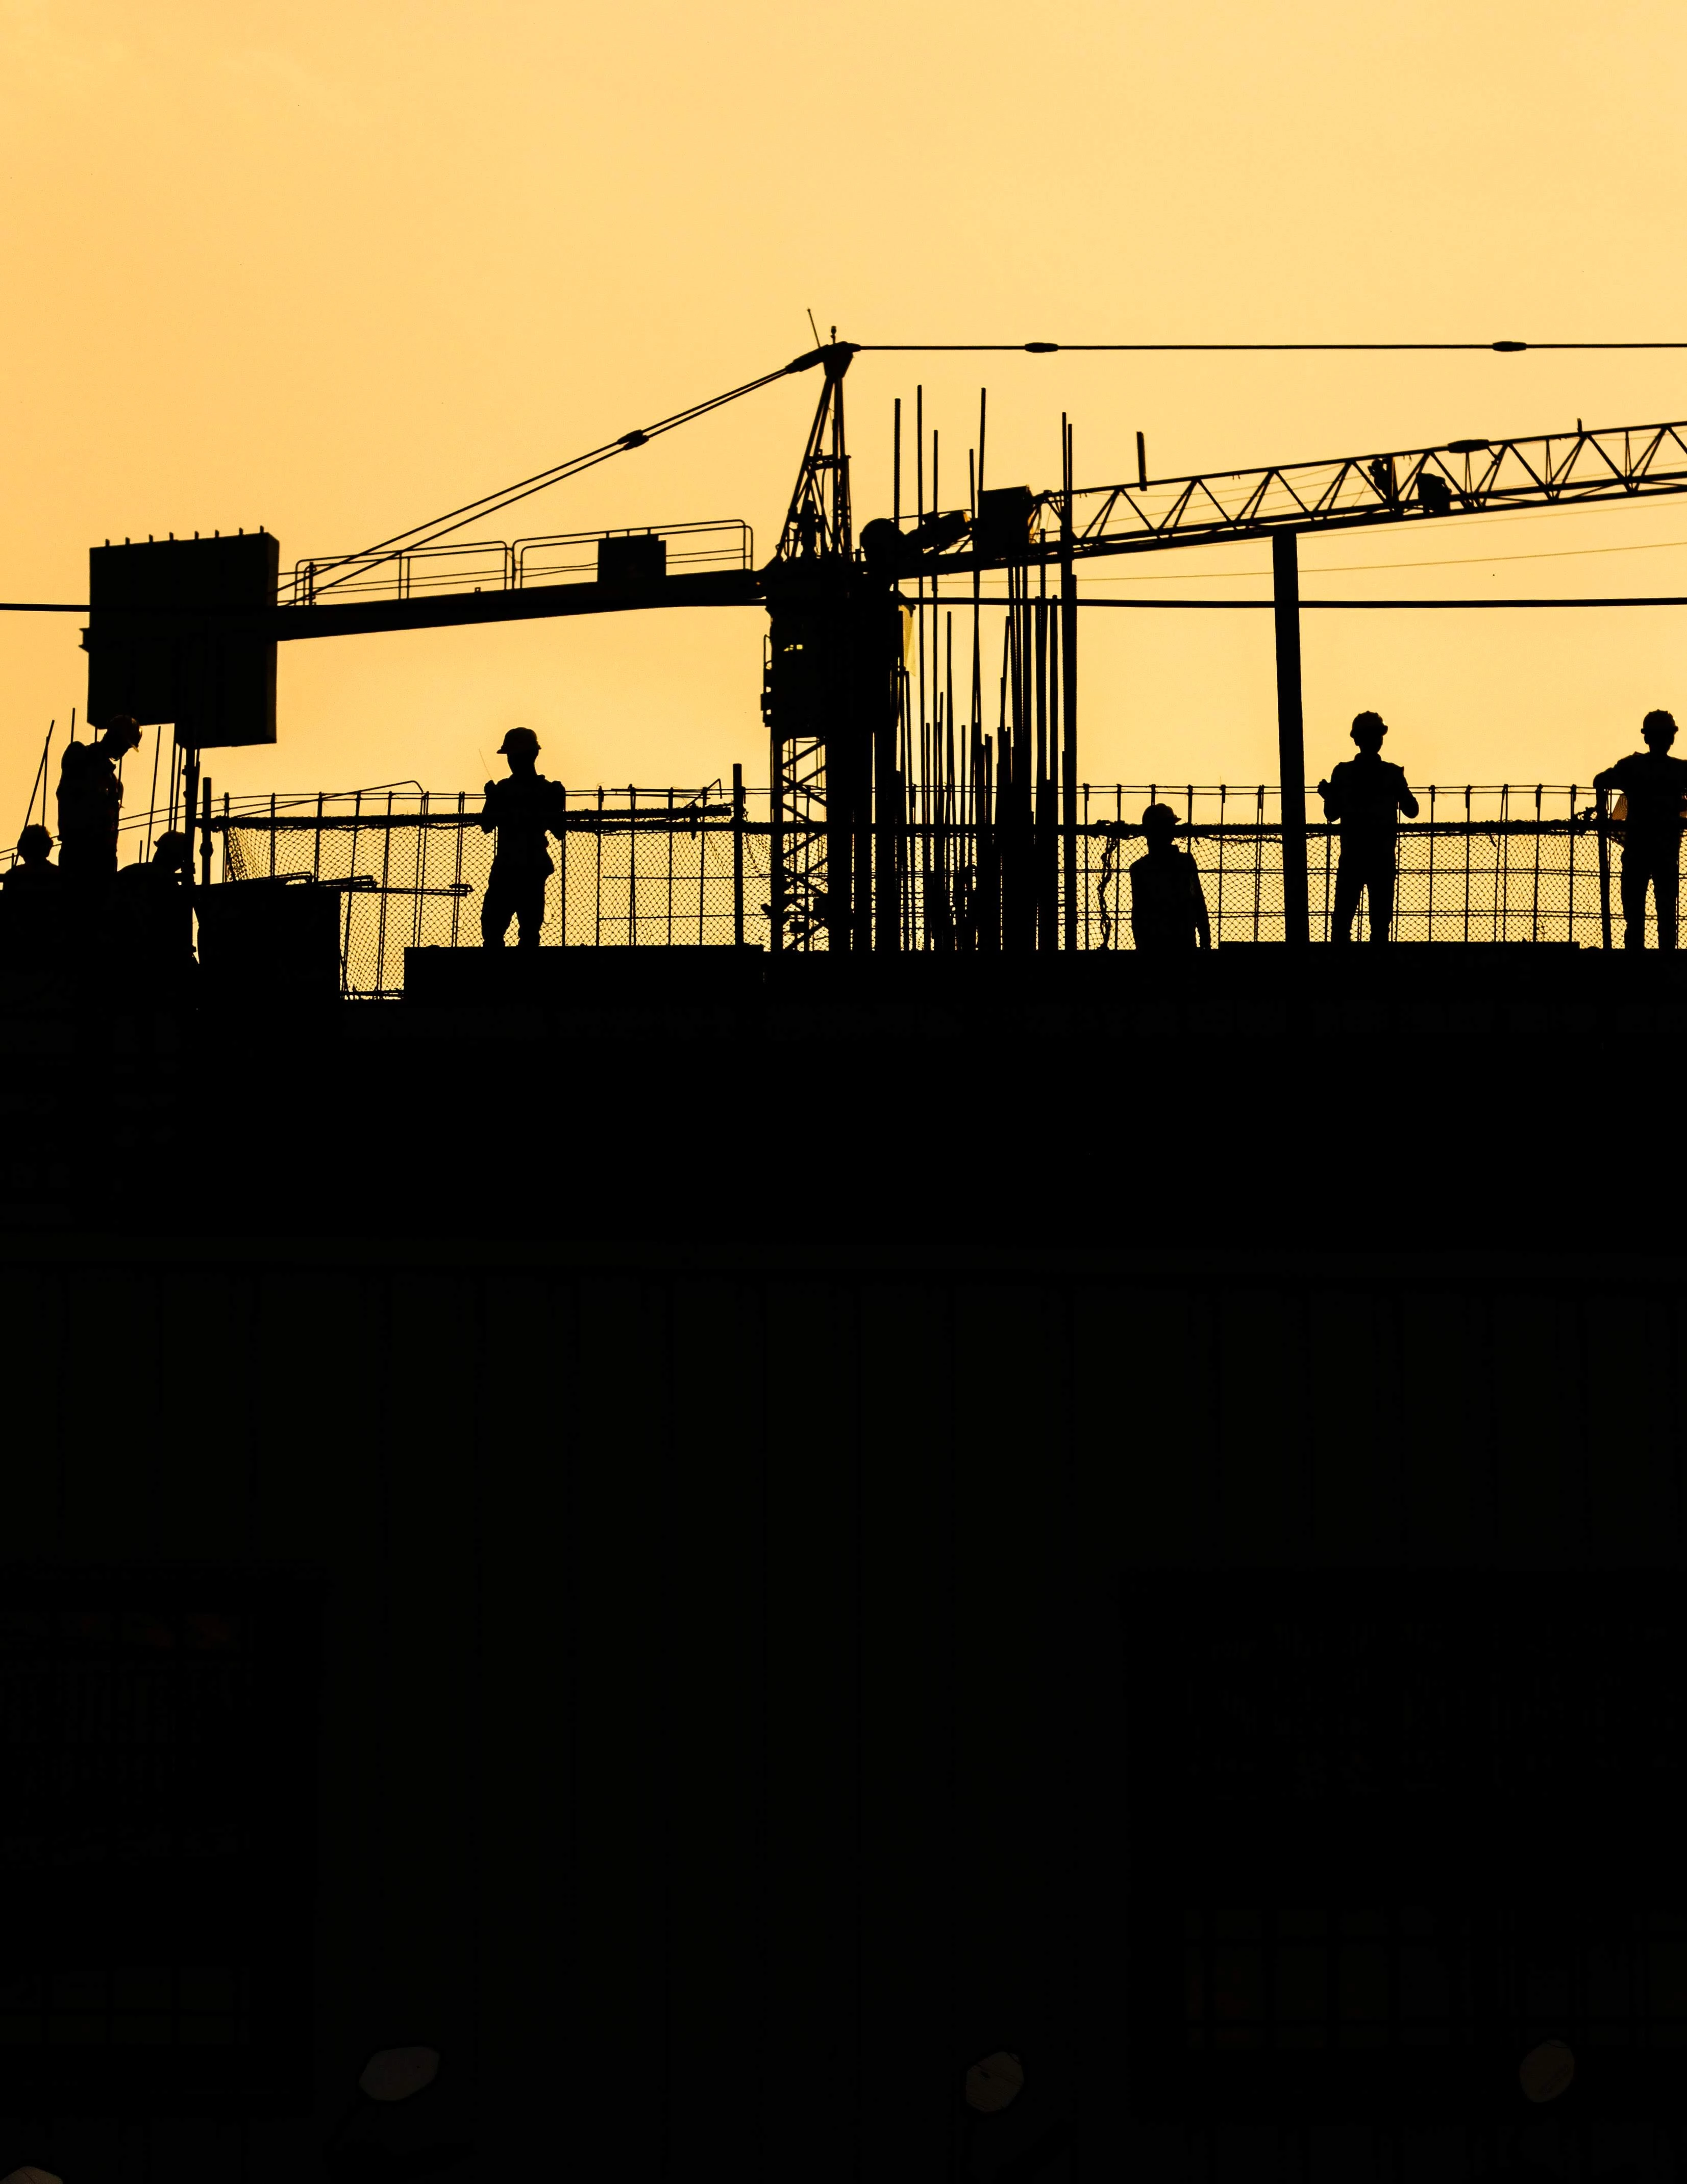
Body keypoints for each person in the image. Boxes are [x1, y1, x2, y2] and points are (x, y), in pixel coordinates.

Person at [1318, 711, 1419, 944]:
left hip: (1352, 856)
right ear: (1380, 739)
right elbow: (1412, 811)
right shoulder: (1392, 773)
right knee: (1380, 923)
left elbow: (1331, 815)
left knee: (1342, 921)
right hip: (1382, 857)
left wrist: (1329, 796)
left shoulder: (1343, 772)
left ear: (1356, 740)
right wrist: (1399, 789)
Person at [1594, 709, 1687, 950]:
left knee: (1634, 908)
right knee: (1666, 908)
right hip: (1666, 851)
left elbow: (1601, 781)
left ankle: (1635, 954)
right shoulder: (1680, 771)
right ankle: (1667, 954)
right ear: (1671, 738)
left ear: (1646, 738)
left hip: (1638, 849)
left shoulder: (1632, 767)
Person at [479, 726, 567, 948]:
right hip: (528, 866)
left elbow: (487, 825)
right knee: (512, 929)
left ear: (532, 755)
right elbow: (559, 831)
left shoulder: (507, 790)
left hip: (514, 867)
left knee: (507, 929)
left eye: (515, 755)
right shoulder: (546, 790)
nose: (513, 760)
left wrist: (493, 799)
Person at [56, 715, 142, 888]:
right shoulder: (80, 755)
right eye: (124, 745)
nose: (124, 752)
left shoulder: (115, 783)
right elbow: (72, 794)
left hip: (105, 858)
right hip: (79, 853)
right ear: (112, 737)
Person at [1128, 803, 1211, 953]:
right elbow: (1198, 902)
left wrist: (1141, 946)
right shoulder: (1185, 863)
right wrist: (1205, 937)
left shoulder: (1139, 868)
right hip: (1183, 943)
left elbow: (1138, 914)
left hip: (1154, 946)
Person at [113, 832, 192, 987]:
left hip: (121, 956)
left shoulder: (131, 872)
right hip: (152, 963)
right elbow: (175, 936)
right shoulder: (170, 888)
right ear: (179, 861)